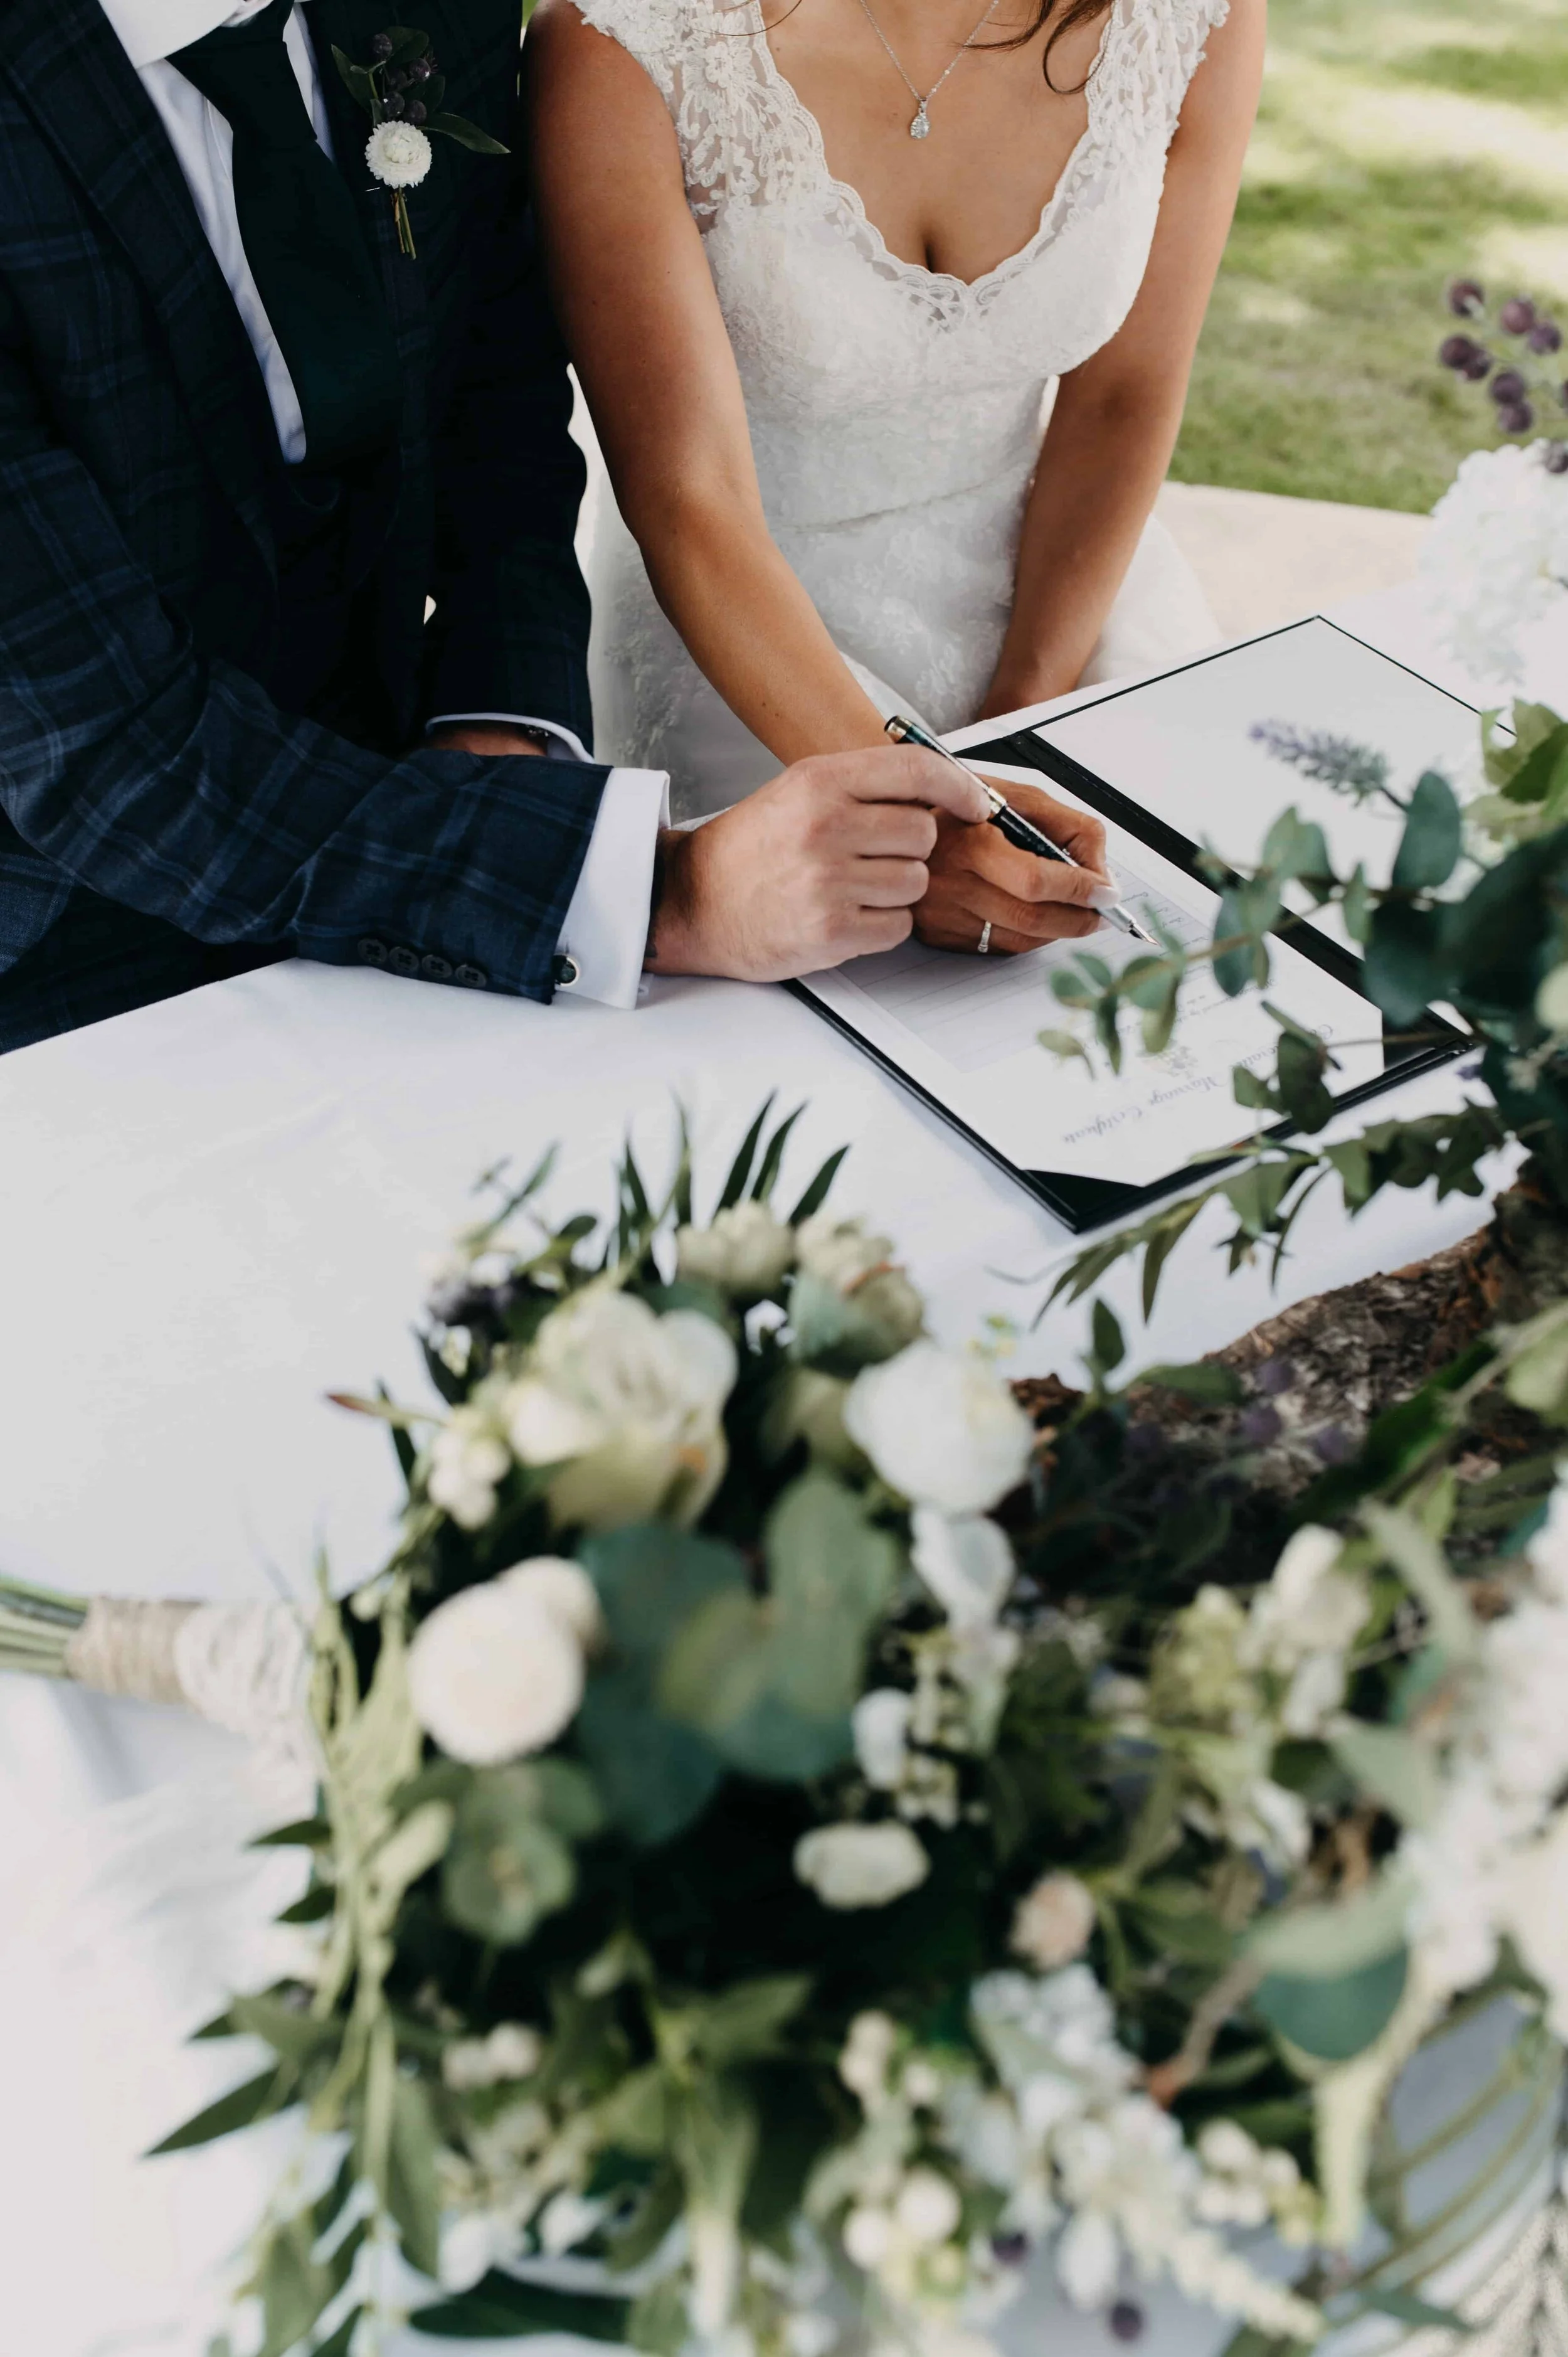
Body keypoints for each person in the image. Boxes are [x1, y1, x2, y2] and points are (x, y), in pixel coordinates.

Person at [0, 0, 1109, 1056]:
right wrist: (664, 890)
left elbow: (498, 402)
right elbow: (103, 744)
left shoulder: (436, 15)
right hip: (69, 933)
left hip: (428, 798)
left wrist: (501, 724)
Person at [527, 0, 1265, 870]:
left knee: (1180, 892)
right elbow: (690, 501)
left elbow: (1121, 399)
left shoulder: (1192, 18)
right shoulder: (621, 41)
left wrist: (1026, 710)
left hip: (1061, 589)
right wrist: (922, 811)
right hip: (747, 632)